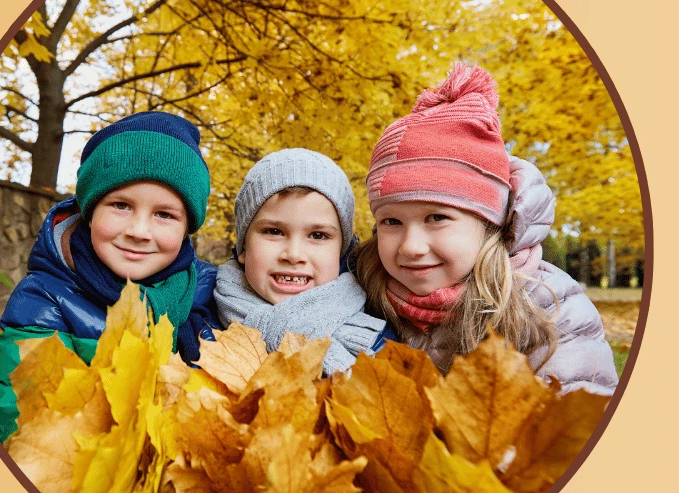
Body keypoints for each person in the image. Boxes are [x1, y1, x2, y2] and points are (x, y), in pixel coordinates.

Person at [354, 63, 618, 395]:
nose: (411, 246)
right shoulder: (361, 290)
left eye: (437, 218)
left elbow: (575, 422)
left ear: (488, 222)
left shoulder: (547, 306)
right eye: (391, 222)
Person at [0, 111, 220, 439]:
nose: (139, 231)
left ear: (187, 229)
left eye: (164, 214)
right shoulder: (44, 300)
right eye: (121, 206)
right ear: (89, 209)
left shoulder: (204, 291)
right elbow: (30, 435)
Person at [212, 148, 390, 376]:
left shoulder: (378, 336)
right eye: (274, 231)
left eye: (317, 236)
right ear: (243, 248)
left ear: (340, 252)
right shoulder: (198, 324)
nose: (294, 255)